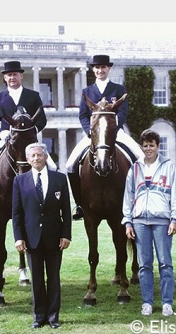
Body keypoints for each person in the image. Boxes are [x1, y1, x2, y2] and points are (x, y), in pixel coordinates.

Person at [66, 54, 142, 220]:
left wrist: (112, 130)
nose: (100, 70)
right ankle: (79, 205)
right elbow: (83, 115)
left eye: (103, 67)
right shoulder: (87, 91)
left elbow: (123, 112)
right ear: (93, 70)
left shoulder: (119, 89)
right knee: (70, 164)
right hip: (93, 135)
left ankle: (139, 200)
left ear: (109, 68)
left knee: (141, 157)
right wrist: (89, 132)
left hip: (115, 133)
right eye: (97, 67)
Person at [0, 60, 55, 214]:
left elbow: (42, 119)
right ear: (5, 78)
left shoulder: (33, 96)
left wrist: (32, 131)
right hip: (6, 139)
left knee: (52, 167)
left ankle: (50, 202)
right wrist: (0, 133)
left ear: (21, 76)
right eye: (9, 75)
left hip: (30, 141)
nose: (12, 77)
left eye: (15, 74)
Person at [122, 129, 176, 317]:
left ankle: (167, 303)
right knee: (144, 264)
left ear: (158, 146)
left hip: (162, 221)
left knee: (165, 263)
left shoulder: (168, 166)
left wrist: (175, 219)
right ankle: (147, 302)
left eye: (152, 145)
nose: (148, 148)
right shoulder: (135, 168)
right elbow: (128, 197)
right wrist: (128, 222)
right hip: (140, 221)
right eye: (145, 145)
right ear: (142, 146)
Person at [12, 142, 71, 328]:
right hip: (31, 238)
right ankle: (38, 317)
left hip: (54, 238)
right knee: (36, 278)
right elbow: (17, 213)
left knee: (53, 277)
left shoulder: (59, 179)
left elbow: (67, 211)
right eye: (32, 156)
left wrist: (66, 235)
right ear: (28, 159)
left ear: (45, 156)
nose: (36, 158)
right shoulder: (20, 181)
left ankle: (53, 317)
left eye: (39, 155)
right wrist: (18, 237)